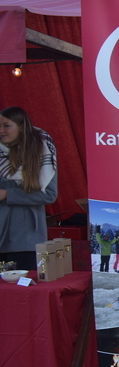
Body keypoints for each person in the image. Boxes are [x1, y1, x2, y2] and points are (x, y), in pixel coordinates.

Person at [0, 107, 58, 271]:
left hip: (26, 240)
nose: (1, 131)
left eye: (6, 125)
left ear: (21, 126)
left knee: (22, 284)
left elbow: (49, 195)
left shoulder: (41, 152)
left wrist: (8, 194)